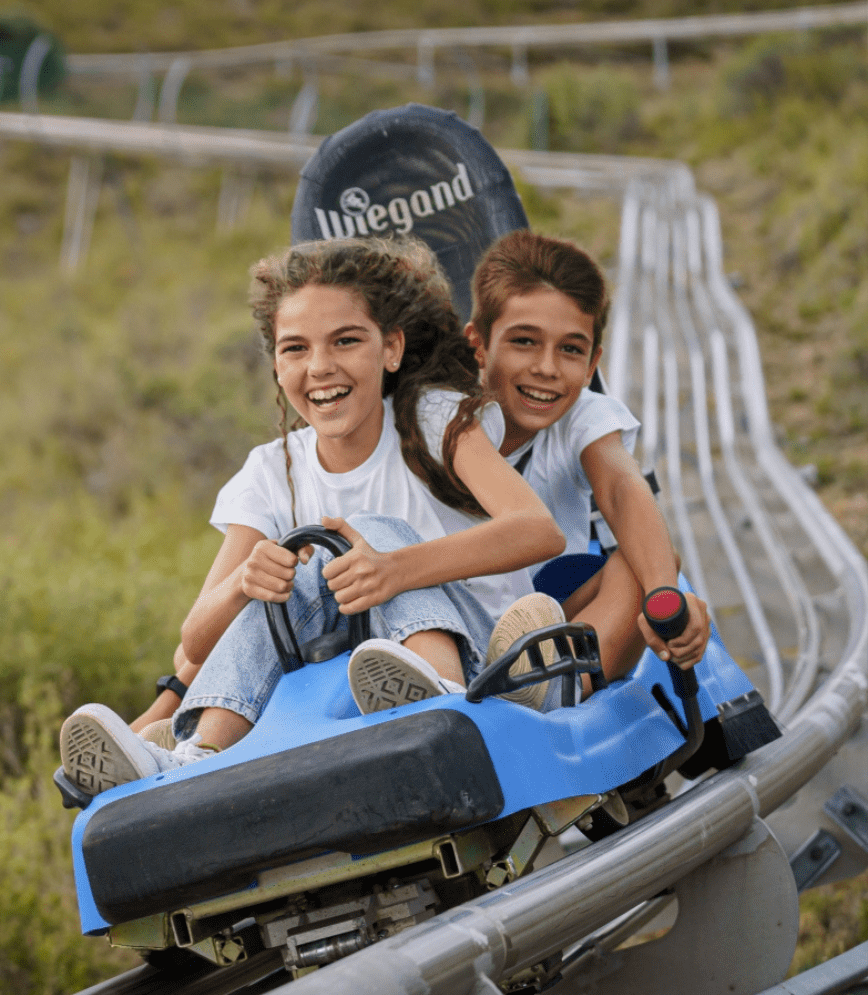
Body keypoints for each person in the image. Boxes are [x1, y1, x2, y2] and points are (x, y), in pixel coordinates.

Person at [59, 237, 564, 797]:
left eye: (346, 341)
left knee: (369, 534)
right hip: (350, 677)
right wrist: (243, 584)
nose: (320, 367)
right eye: (295, 349)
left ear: (390, 348)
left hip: (477, 651)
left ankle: (439, 693)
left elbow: (538, 530)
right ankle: (195, 757)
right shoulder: (272, 471)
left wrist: (394, 568)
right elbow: (196, 640)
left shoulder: (433, 418)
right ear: (276, 364)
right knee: (282, 579)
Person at [466, 231, 709, 708]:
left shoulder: (584, 417)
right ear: (479, 344)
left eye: (571, 350)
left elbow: (619, 485)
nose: (548, 368)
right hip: (461, 610)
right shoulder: (450, 416)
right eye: (524, 342)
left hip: (554, 623)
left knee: (647, 564)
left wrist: (666, 596)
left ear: (593, 359)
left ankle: (559, 686)